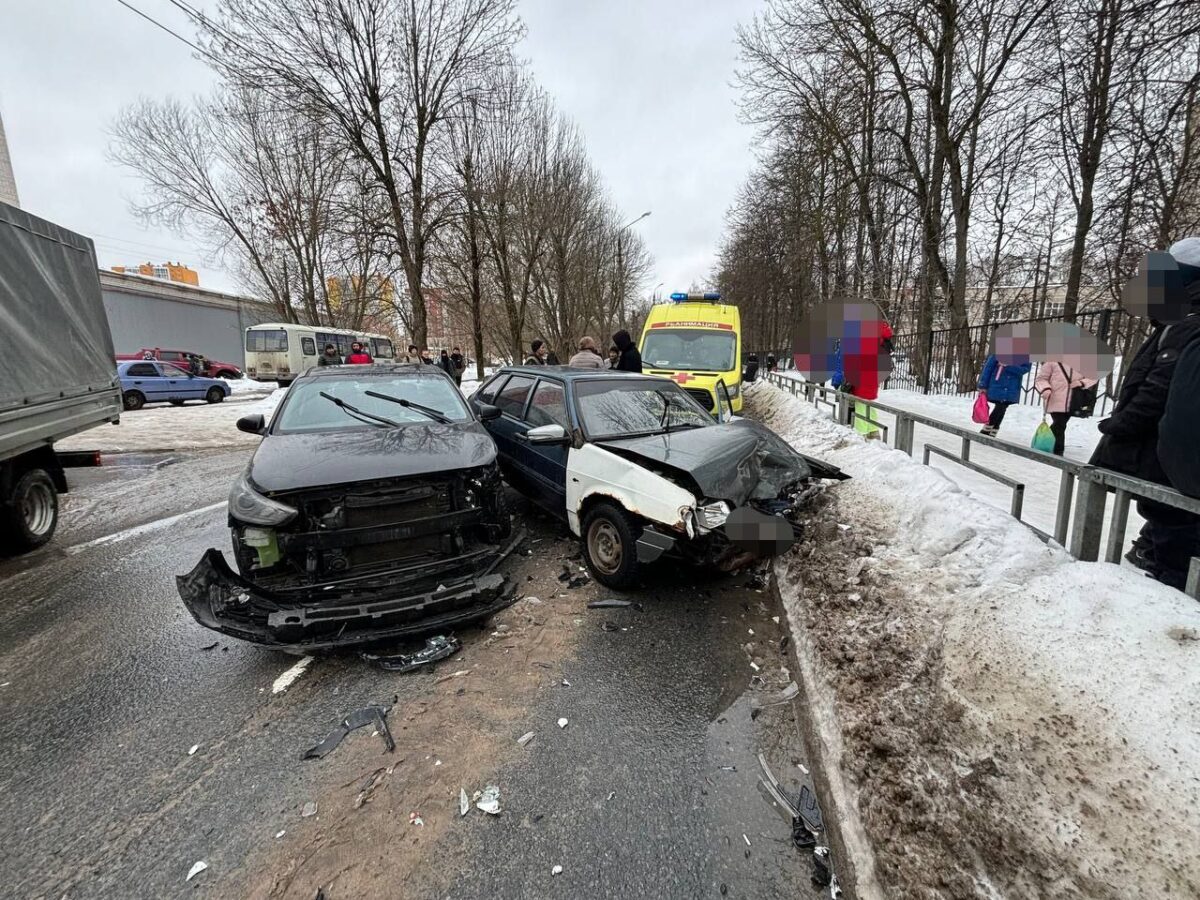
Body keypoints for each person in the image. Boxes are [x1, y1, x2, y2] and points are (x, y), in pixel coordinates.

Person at [1092, 237, 1200, 588]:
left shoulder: (1187, 325)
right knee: (1166, 520)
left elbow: (1158, 388)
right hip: (1172, 455)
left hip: (1173, 456)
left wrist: (1120, 425)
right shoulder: (1179, 321)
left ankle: (1169, 593)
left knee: (1176, 529)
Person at [1034, 362, 1095, 456]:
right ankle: (1058, 451)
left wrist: (1081, 383)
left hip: (1073, 400)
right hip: (1055, 398)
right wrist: (1045, 388)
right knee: (1060, 423)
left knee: (1060, 424)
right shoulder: (1052, 362)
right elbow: (1041, 379)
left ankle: (1047, 443)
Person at [977, 352, 1031, 436]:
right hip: (997, 383)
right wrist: (983, 385)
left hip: (1012, 386)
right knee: (1001, 406)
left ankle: (991, 430)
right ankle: (988, 430)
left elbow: (1025, 369)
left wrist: (1009, 366)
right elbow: (988, 368)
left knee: (1003, 406)